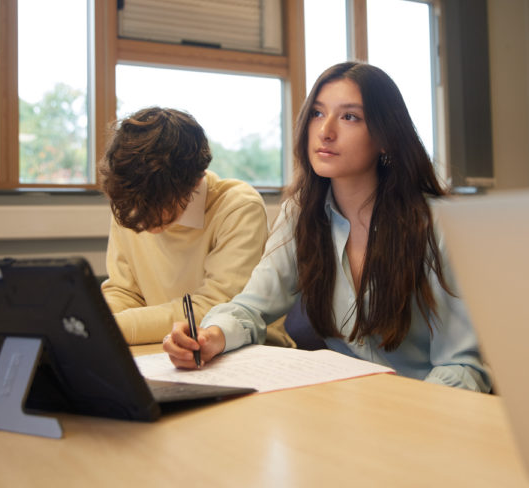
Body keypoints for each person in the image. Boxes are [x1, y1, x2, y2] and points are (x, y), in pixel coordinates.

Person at [163, 62, 492, 392]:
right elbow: (250, 308)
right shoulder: (301, 213)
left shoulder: (437, 225)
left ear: (385, 137)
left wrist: (414, 417)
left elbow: (460, 365)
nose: (325, 131)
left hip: (424, 412)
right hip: (342, 408)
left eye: (350, 116)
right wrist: (210, 336)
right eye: (318, 114)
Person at [99, 107, 292, 347]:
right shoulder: (132, 198)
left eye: (156, 203)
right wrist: (93, 324)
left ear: (197, 180)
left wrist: (108, 328)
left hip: (244, 352)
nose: (140, 218)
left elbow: (217, 310)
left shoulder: (238, 207)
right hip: (161, 347)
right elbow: (125, 292)